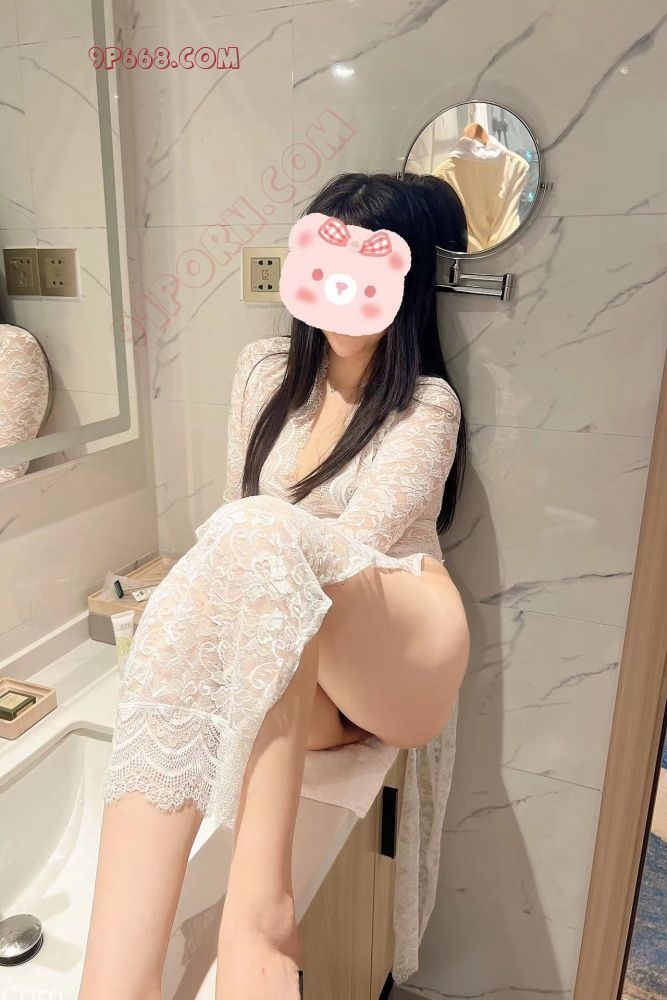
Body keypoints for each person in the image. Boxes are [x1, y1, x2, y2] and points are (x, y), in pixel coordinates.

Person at [78, 171, 471, 1000]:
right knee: (225, 559)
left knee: (259, 533)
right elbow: (236, 535)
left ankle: (259, 918)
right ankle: (114, 984)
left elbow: (343, 557)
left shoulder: (425, 406)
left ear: (403, 284)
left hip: (401, 650)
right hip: (303, 675)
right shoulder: (262, 371)